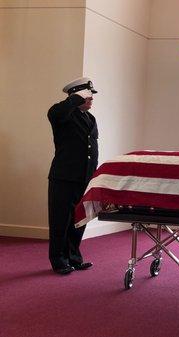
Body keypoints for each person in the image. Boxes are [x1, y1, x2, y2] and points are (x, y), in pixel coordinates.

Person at [47, 77, 98, 275]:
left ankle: (74, 258)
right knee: (60, 219)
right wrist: (75, 99)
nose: (92, 100)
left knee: (78, 220)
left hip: (84, 177)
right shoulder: (62, 114)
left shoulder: (90, 118)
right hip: (64, 176)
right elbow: (56, 113)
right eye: (88, 96)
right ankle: (58, 260)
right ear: (77, 96)